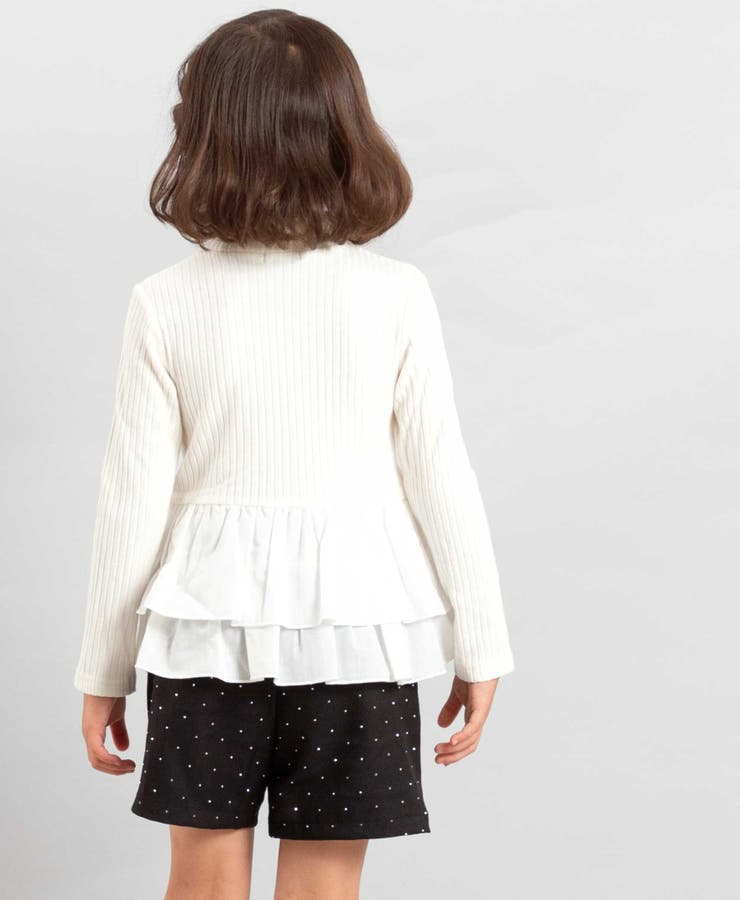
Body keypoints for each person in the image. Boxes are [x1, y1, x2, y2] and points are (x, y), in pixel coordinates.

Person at [73, 9, 515, 899]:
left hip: (205, 631)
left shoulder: (166, 301)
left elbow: (131, 501)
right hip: (362, 632)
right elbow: (441, 477)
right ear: (346, 130)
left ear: (205, 136)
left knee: (202, 876)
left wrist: (102, 670)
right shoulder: (396, 294)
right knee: (325, 883)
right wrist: (483, 645)